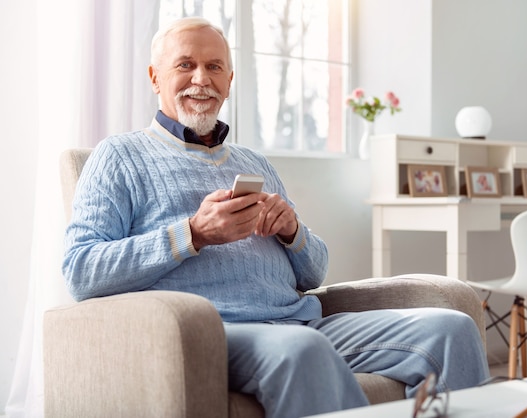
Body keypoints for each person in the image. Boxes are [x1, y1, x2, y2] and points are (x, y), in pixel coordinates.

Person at [63, 16, 489, 418]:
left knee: (451, 329)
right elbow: (81, 272)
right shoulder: (119, 156)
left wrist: (291, 232)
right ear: (156, 77)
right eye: (185, 65)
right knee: (301, 349)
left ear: (229, 82)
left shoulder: (255, 163)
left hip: (299, 321)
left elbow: (314, 274)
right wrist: (193, 233)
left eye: (214, 67)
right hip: (215, 331)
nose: (201, 79)